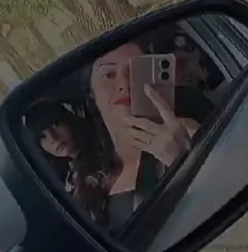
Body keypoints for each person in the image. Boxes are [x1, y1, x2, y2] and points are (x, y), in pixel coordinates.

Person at [86, 40, 212, 232]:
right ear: (92, 95)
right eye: (109, 75)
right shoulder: (90, 176)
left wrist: (187, 162)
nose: (125, 83)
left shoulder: (185, 133)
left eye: (136, 71)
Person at [24, 101, 119, 221]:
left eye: (55, 125)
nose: (53, 138)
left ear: (68, 121)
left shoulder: (103, 148)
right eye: (42, 136)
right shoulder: (66, 176)